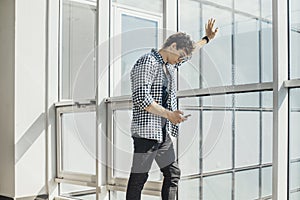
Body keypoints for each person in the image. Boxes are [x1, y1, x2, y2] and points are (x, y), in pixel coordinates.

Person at [126, 18, 218, 200]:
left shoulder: (168, 65)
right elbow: (141, 98)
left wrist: (206, 39)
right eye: (180, 56)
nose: (181, 61)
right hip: (146, 133)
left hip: (162, 133)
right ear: (173, 46)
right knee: (139, 179)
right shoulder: (148, 62)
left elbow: (190, 52)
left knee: (173, 173)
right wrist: (169, 114)